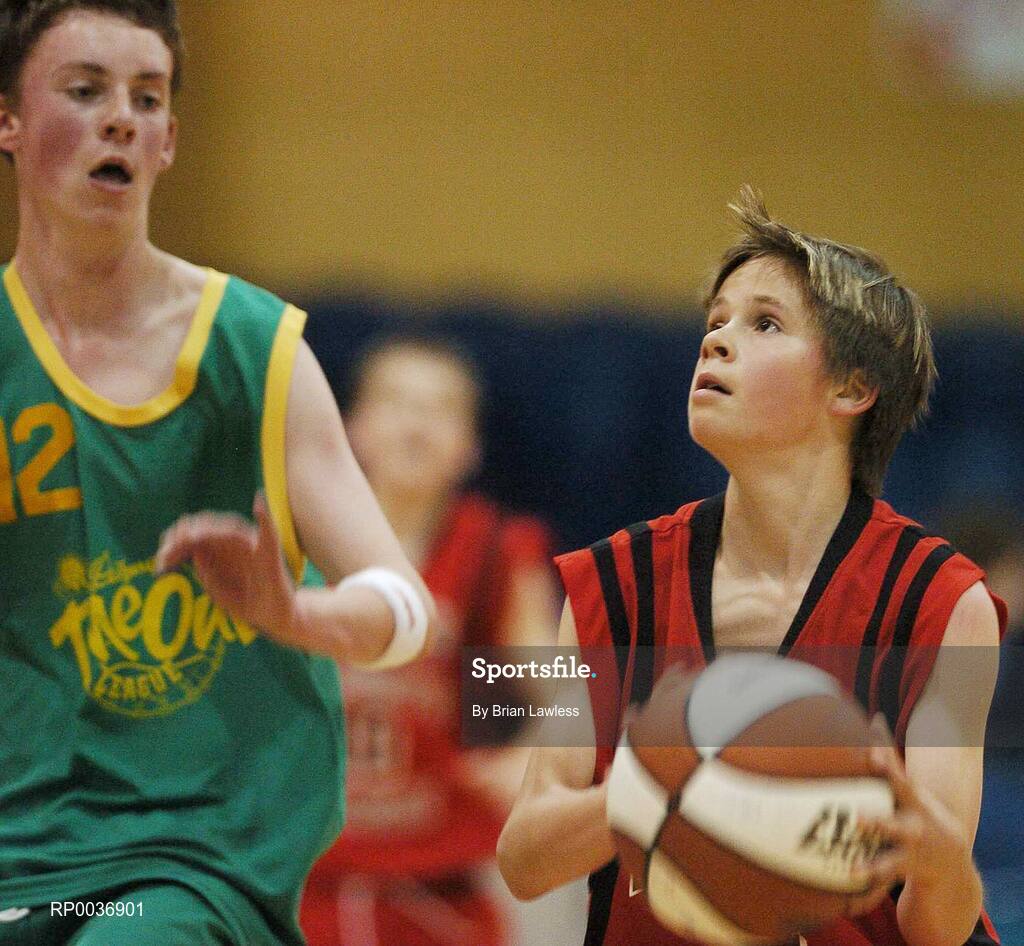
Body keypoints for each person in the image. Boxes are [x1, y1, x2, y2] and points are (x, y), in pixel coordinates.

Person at [0, 3, 435, 945]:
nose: (121, 117)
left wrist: (298, 617)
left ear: (168, 142)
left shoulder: (255, 350)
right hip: (24, 847)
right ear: (11, 120)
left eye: (146, 99)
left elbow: (471, 657)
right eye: (86, 91)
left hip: (195, 856)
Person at [497, 188, 1005, 946]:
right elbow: (523, 859)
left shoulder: (941, 602)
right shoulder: (616, 585)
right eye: (716, 321)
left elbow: (937, 926)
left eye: (764, 323)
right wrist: (663, 781)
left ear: (853, 387)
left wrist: (937, 862)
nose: (718, 341)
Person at [298, 334, 560, 946]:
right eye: (396, 401)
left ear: (469, 447)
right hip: (304, 883)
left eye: (441, 408)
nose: (416, 424)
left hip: (437, 889)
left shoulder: (494, 554)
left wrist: (522, 761)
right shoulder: (295, 541)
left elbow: (561, 708)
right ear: (353, 428)